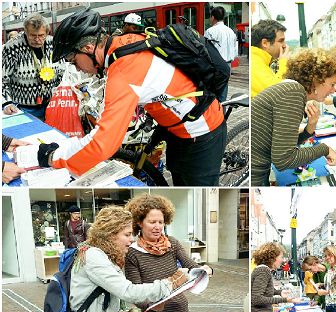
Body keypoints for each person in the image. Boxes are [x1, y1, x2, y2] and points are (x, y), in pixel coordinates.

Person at [37, 8, 226, 186]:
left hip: (203, 131)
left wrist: (53, 157)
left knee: (193, 187)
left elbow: (103, 143)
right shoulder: (125, 42)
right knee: (178, 178)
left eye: (73, 61)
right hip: (176, 126)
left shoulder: (123, 71)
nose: (76, 68)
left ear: (87, 48)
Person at [45, 206, 178, 312]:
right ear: (110, 233)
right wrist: (170, 283)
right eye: (127, 234)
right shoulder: (93, 256)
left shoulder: (107, 255)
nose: (131, 240)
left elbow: (113, 295)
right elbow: (127, 290)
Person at [123, 194, 212, 312]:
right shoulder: (132, 253)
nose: (157, 227)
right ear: (139, 222)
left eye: (161, 222)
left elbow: (191, 266)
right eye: (152, 222)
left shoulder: (172, 243)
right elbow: (135, 293)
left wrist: (206, 269)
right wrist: (152, 304)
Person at [251, 48, 336, 185]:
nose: (334, 89)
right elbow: (284, 159)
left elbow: (283, 145)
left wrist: (309, 128)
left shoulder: (291, 90)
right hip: (257, 174)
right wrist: (324, 149)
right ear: (316, 79)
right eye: (331, 84)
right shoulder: (293, 94)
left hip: (259, 168)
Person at [2, 13, 62, 120]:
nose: (37, 40)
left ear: (47, 32)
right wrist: (6, 103)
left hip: (53, 104)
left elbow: (63, 72)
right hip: (23, 108)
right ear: (25, 32)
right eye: (33, 35)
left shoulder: (53, 43)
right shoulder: (12, 47)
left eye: (41, 35)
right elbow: (2, 79)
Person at [204, 6, 238, 102]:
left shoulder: (210, 31)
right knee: (223, 95)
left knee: (211, 94)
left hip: (215, 67)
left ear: (213, 17)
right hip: (228, 66)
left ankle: (213, 114)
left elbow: (206, 51)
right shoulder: (231, 31)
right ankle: (222, 114)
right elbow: (235, 52)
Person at [250, 19, 289, 97]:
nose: (284, 45)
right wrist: (284, 62)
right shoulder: (255, 63)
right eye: (281, 41)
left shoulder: (259, 60)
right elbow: (277, 93)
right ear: (265, 43)